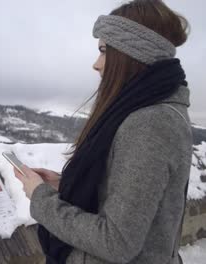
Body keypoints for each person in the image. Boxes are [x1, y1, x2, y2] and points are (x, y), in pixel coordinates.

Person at [14, 0, 192, 263]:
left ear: (133, 55)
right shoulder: (153, 111)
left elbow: (116, 242)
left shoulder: (150, 124)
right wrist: (64, 185)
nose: (96, 64)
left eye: (104, 51)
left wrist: (41, 198)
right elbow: (135, 199)